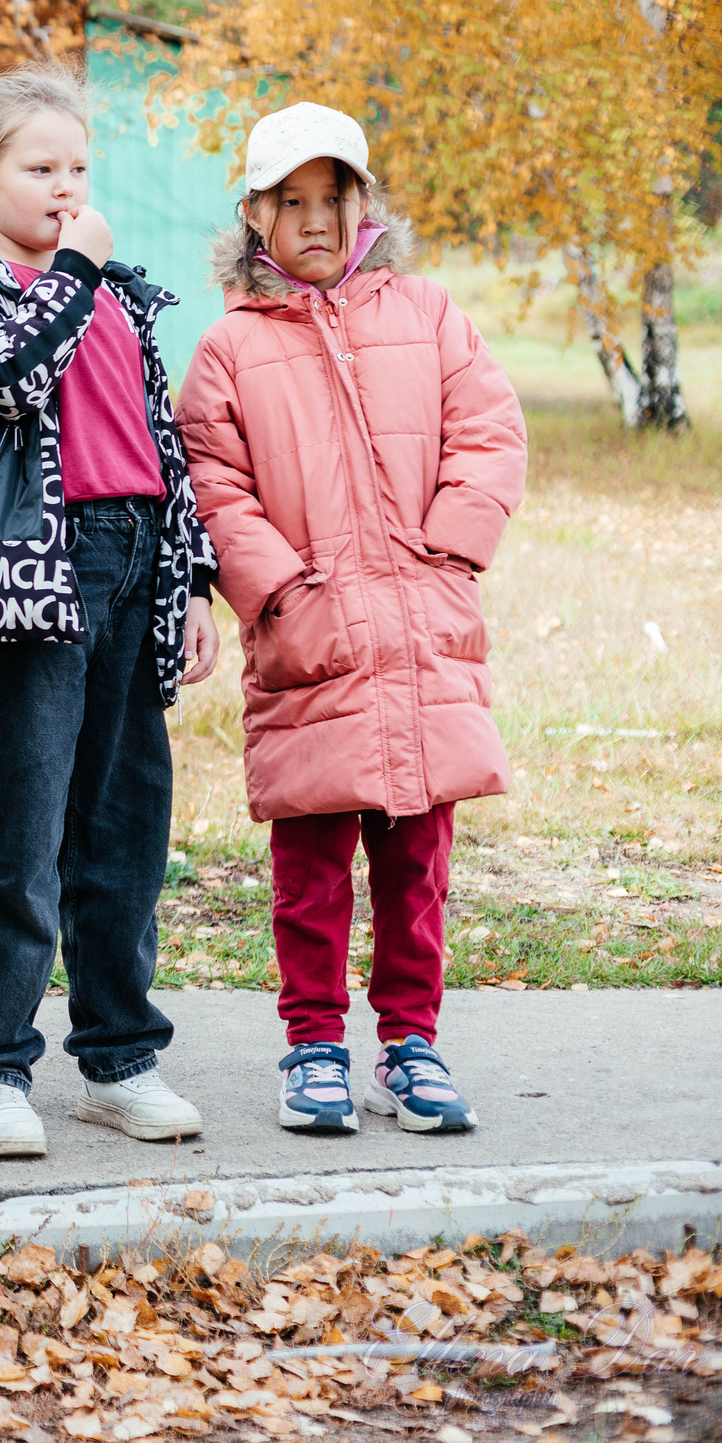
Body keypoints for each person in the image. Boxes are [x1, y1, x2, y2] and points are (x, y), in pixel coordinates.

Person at [0, 63, 220, 1161]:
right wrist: (70, 267)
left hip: (128, 562)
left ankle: (118, 1057)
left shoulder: (114, 294)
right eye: (39, 168)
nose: (65, 187)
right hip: (26, 576)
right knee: (14, 834)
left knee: (121, 830)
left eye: (77, 167)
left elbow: (160, 440)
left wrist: (192, 580)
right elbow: (3, 381)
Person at [179, 103, 524, 1137]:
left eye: (335, 197)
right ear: (256, 216)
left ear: (363, 206)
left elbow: (488, 429)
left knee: (419, 861)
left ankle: (410, 1043)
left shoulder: (425, 313)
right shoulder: (229, 348)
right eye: (294, 200)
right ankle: (314, 1043)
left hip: (423, 631)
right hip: (312, 638)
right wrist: (278, 586)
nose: (317, 219)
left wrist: (452, 546)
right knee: (312, 865)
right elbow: (211, 477)